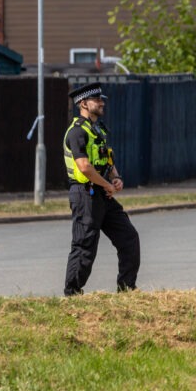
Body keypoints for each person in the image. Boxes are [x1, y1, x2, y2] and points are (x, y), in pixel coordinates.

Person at [63, 83, 141, 295]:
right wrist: (107, 185)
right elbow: (84, 167)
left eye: (101, 99)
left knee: (129, 238)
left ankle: (126, 288)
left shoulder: (97, 130)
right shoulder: (77, 131)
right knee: (84, 245)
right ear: (83, 103)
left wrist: (115, 177)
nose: (101, 102)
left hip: (102, 193)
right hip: (84, 194)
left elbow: (106, 157)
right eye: (96, 100)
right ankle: (72, 294)